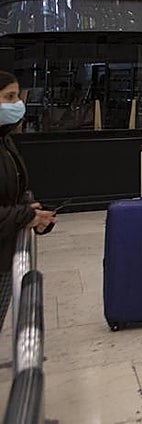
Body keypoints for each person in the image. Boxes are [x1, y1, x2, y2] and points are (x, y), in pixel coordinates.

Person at [0, 71, 55, 330]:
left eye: (17, 97)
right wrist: (24, 216)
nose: (17, 104)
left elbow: (14, 190)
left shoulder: (5, 140)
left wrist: (32, 213)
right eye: (8, 97)